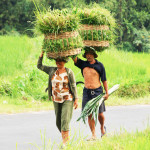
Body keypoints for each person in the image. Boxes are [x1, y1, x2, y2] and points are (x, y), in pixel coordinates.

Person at [37, 51, 78, 146]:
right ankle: (66, 139)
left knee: (65, 120)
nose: (58, 62)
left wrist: (76, 99)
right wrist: (41, 54)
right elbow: (39, 66)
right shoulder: (52, 70)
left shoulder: (69, 72)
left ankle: (65, 142)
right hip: (56, 99)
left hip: (67, 98)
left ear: (65, 61)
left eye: (61, 60)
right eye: (57, 60)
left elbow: (73, 85)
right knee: (58, 122)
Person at [72, 47, 109, 140]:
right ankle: (93, 134)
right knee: (89, 113)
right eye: (87, 54)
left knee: (100, 114)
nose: (88, 56)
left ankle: (102, 128)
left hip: (97, 92)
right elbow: (74, 58)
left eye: (90, 54)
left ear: (94, 55)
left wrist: (107, 93)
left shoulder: (100, 65)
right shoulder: (83, 64)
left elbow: (104, 80)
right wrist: (74, 48)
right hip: (87, 92)